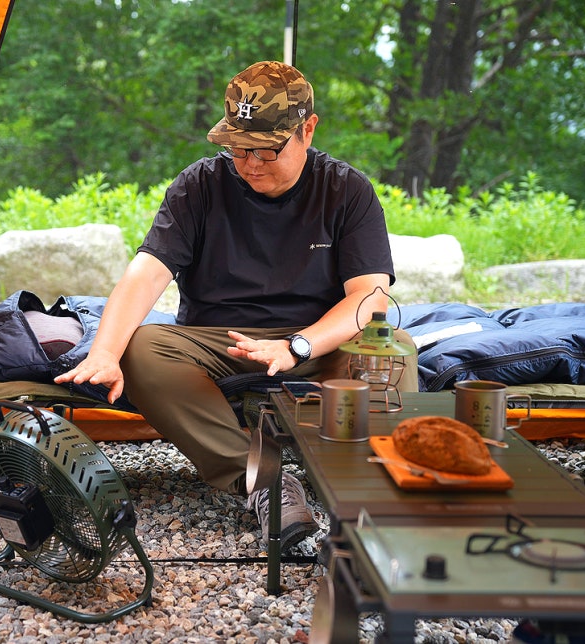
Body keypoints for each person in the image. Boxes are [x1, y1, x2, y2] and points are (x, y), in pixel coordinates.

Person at [55, 60, 417, 550]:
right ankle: (262, 481)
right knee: (138, 347)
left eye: (268, 149)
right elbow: (147, 273)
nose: (251, 163)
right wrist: (104, 353)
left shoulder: (346, 190)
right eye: (239, 148)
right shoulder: (199, 186)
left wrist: (298, 345)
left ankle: (381, 488)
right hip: (219, 343)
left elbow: (370, 296)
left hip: (316, 341)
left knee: (396, 347)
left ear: (308, 130)